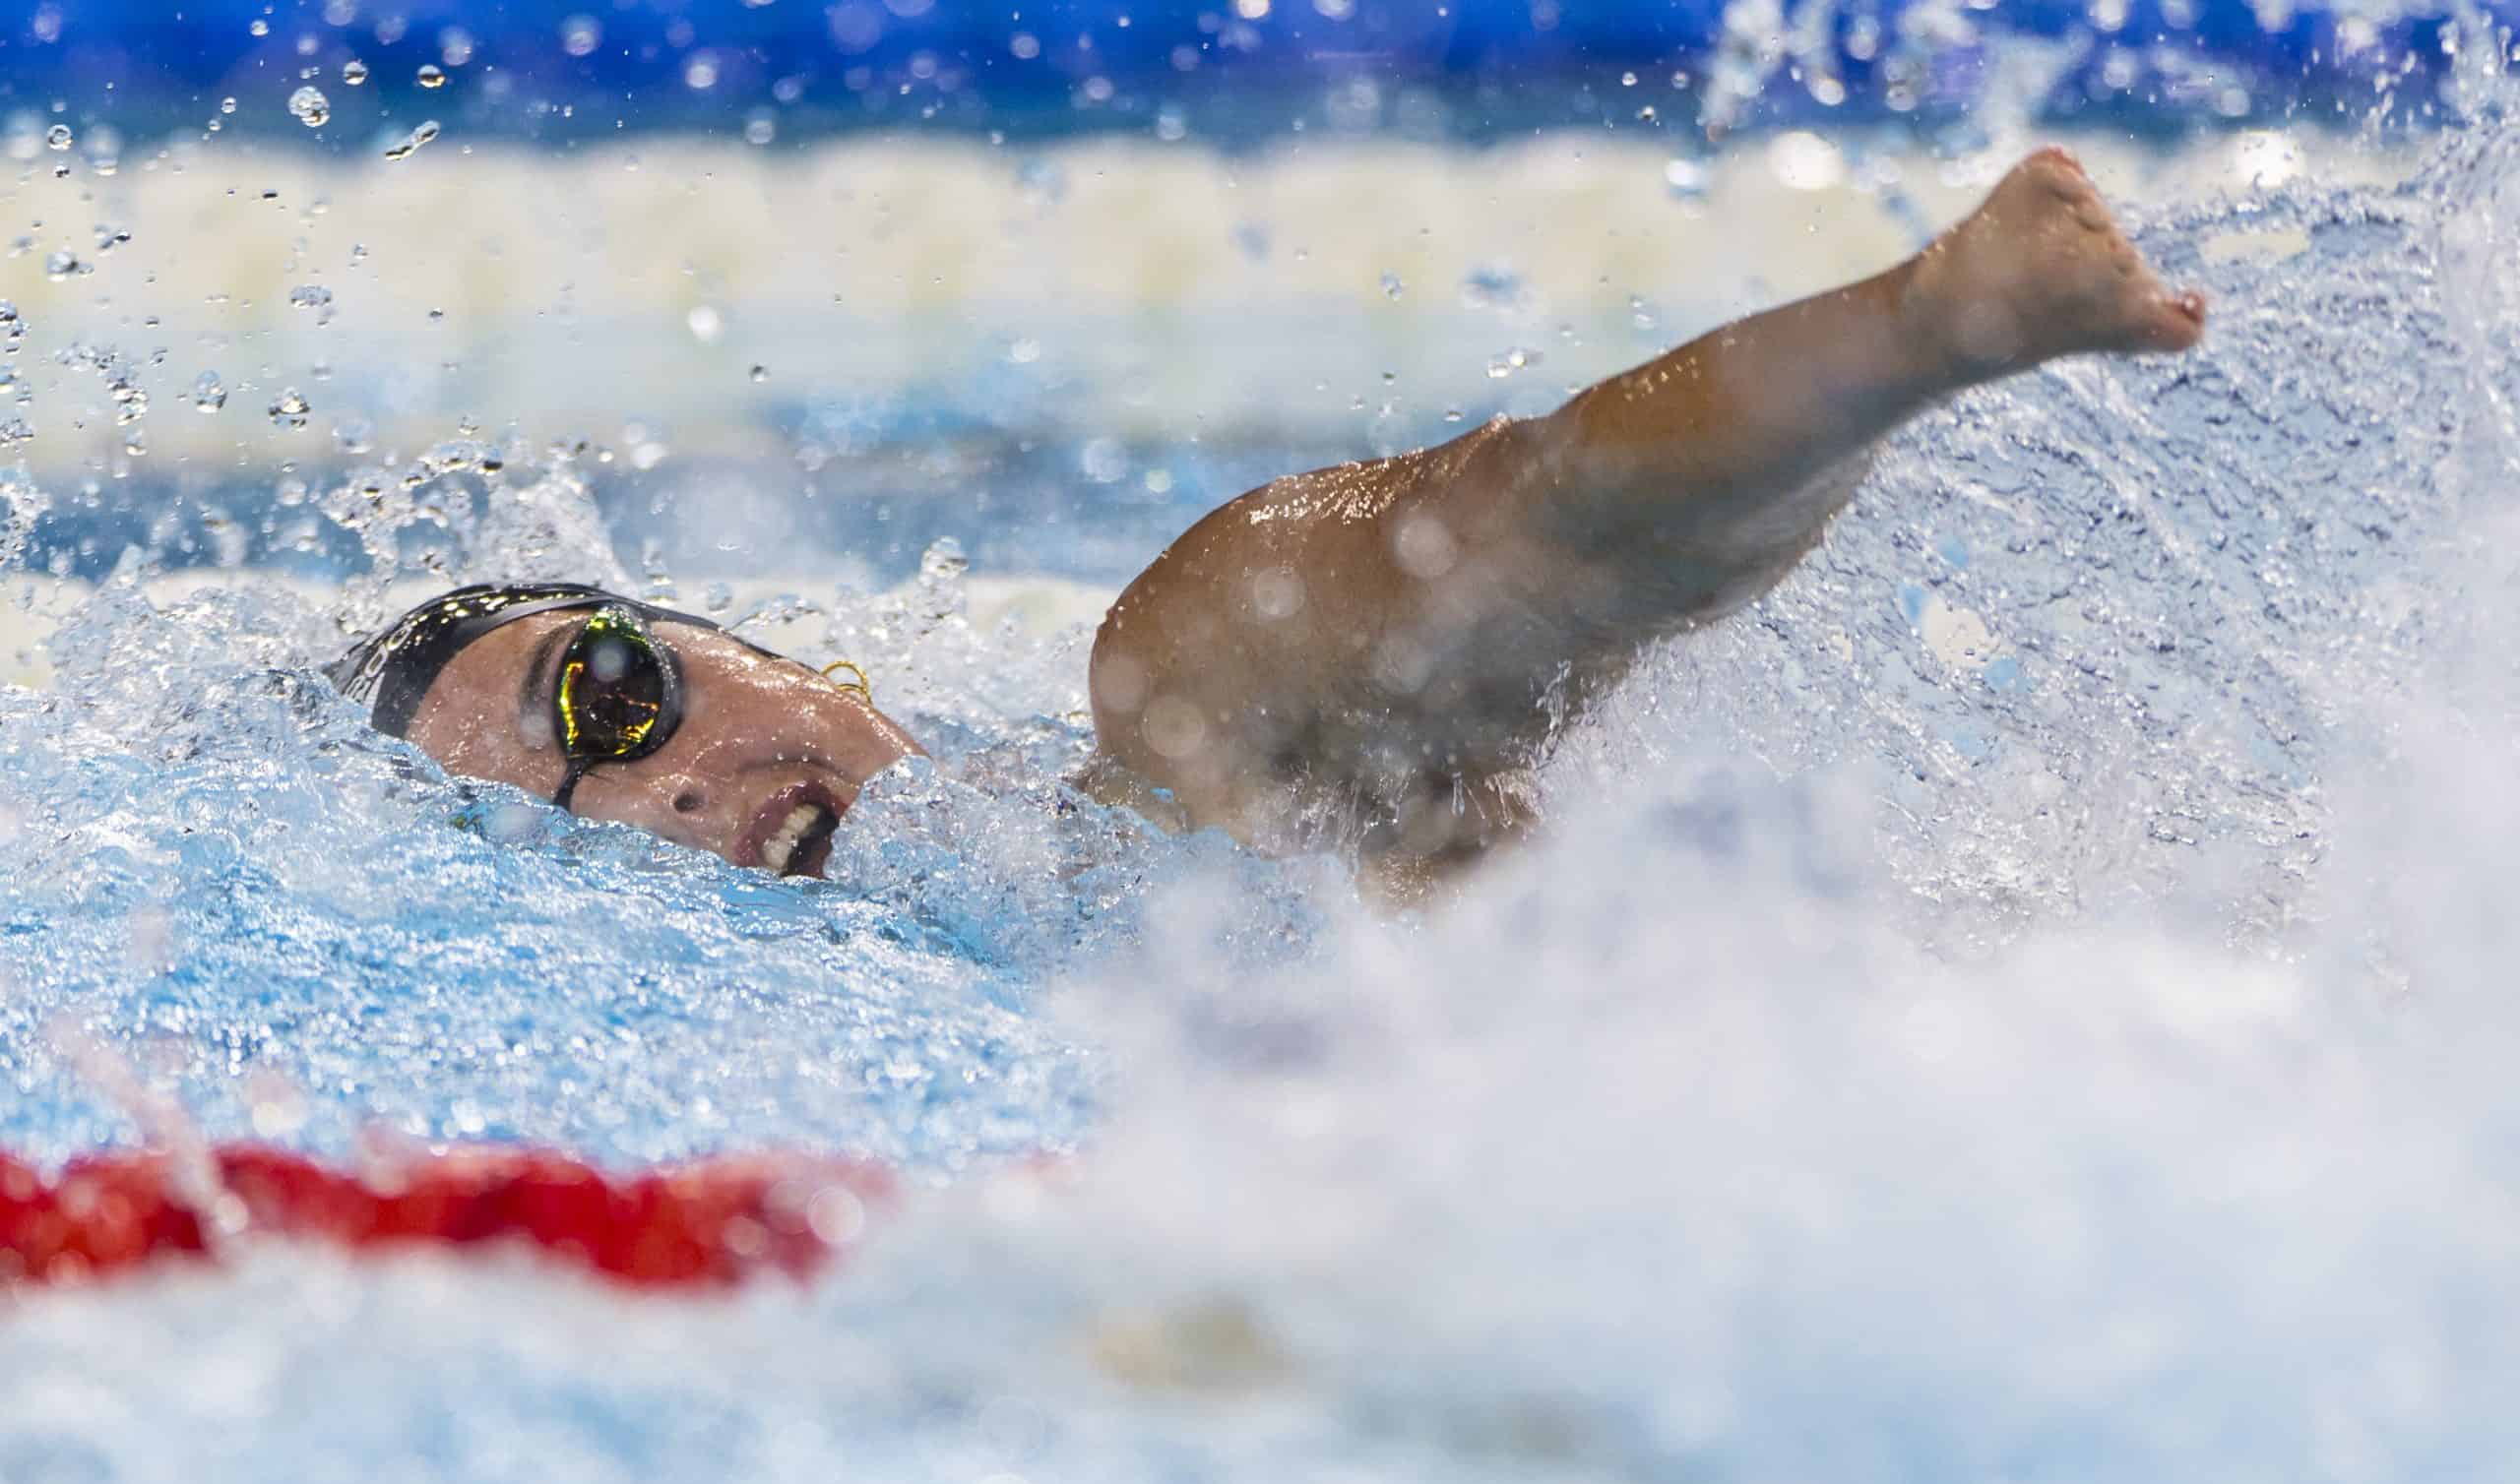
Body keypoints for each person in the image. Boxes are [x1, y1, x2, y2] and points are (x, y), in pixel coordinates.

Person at [329, 148, 2204, 895]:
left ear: (776, 649)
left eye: (610, 696)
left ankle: (1933, 319)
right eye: (562, 834)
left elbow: (1521, 524)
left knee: (1208, 657)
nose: (654, 788)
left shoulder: (1150, 765)